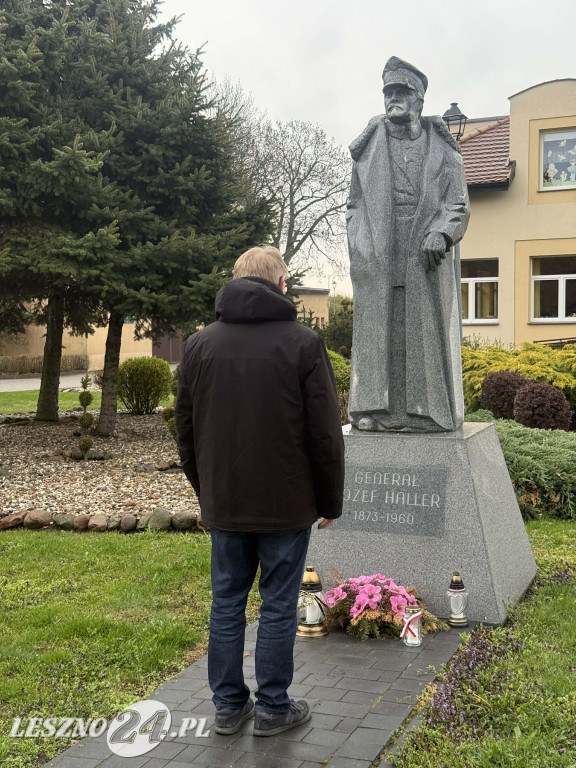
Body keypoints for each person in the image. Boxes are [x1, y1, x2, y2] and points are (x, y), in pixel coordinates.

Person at [175, 246, 345, 737]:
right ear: (282, 284)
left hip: (225, 500)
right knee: (277, 604)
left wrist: (206, 489)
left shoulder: (198, 345)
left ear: (236, 279)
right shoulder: (303, 343)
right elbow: (324, 433)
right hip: (285, 504)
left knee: (227, 602)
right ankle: (272, 708)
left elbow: (185, 430)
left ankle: (228, 707)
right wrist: (329, 501)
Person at [346, 56, 470, 432]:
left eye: (402, 92)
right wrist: (360, 244)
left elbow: (458, 203)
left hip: (425, 250)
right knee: (381, 328)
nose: (393, 99)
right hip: (379, 249)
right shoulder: (369, 150)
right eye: (389, 92)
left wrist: (442, 232)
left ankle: (425, 412)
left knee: (420, 329)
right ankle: (377, 410)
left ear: (419, 99)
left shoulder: (443, 149)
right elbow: (353, 205)